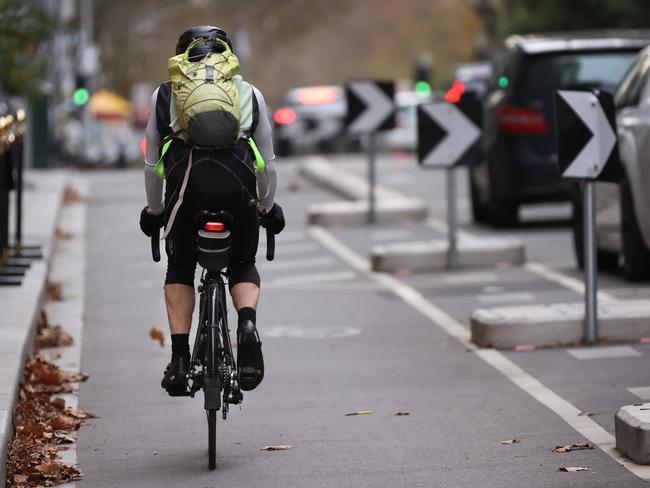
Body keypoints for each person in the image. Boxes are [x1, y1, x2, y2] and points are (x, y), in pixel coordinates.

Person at [139, 26, 285, 396]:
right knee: (242, 264)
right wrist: (267, 206)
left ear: (181, 57)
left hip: (186, 196)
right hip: (237, 194)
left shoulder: (164, 95)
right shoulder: (250, 93)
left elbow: (152, 164)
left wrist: (156, 211)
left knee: (181, 268)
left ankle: (180, 359)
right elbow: (267, 162)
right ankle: (247, 324)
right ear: (228, 58)